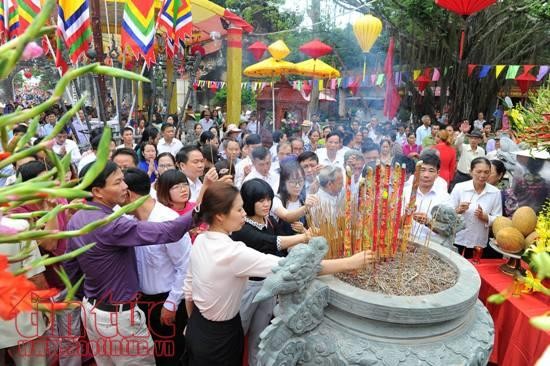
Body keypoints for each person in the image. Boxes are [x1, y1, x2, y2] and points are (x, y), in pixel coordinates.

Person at [183, 181, 374, 365]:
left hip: (197, 326)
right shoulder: (233, 252)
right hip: (220, 336)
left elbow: (189, 289)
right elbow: (295, 268)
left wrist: (194, 325)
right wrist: (349, 263)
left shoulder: (201, 240)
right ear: (219, 216)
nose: (243, 214)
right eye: (239, 209)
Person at [64, 161, 195, 365]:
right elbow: (166, 231)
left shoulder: (78, 218)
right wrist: (200, 213)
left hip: (93, 310)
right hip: (119, 318)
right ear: (97, 191)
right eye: (118, 182)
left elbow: (72, 269)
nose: (125, 187)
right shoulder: (111, 223)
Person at [231, 179, 312, 365]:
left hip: (269, 285)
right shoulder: (242, 228)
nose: (266, 204)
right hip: (247, 287)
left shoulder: (270, 221)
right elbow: (270, 242)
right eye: (260, 200)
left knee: (260, 338)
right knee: (237, 334)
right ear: (248, 201)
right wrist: (304, 237)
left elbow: (280, 245)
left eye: (268, 199)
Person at [123, 168, 191, 366]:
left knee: (171, 355)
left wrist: (171, 303)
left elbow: (185, 265)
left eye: (120, 193)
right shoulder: (129, 221)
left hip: (168, 302)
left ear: (129, 194)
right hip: (143, 302)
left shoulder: (166, 220)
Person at [451, 157, 502, 257]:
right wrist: (458, 210)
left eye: (486, 172)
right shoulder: (460, 188)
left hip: (478, 240)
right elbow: (447, 212)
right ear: (471, 172)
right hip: (457, 237)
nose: (482, 175)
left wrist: (486, 217)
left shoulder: (495, 192)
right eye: (479, 171)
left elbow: (498, 219)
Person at [402, 152, 452, 245]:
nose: (426, 175)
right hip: (407, 243)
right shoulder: (405, 192)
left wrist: (428, 222)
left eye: (431, 171)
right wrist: (406, 215)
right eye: (422, 170)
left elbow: (448, 230)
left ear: (438, 173)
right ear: (416, 171)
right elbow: (396, 225)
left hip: (433, 246)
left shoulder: (445, 198)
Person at [271, 160, 318, 235]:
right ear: (284, 182)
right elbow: (287, 217)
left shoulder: (304, 199)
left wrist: (303, 230)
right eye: (293, 182)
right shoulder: (276, 200)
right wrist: (306, 207)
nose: (298, 186)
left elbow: (313, 230)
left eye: (300, 181)